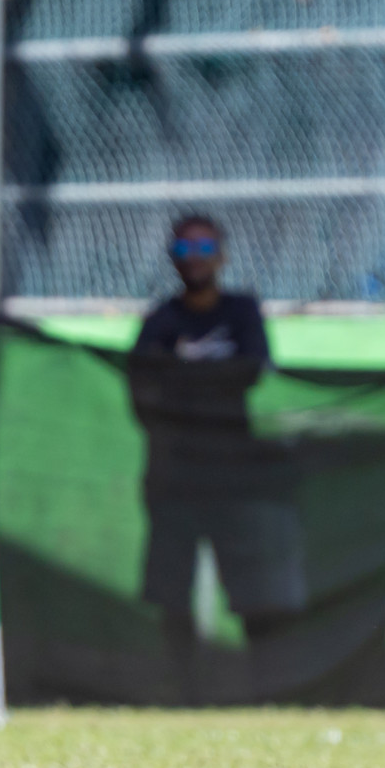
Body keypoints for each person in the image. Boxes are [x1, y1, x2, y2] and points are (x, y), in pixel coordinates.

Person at [129, 214, 307, 698]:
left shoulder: (242, 312)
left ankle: (266, 689)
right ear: (172, 258)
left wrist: (183, 380)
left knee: (253, 589)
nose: (196, 259)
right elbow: (142, 393)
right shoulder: (161, 322)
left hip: (235, 478)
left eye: (205, 248)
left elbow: (250, 371)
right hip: (175, 480)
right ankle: (184, 692)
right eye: (185, 250)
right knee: (172, 591)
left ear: (222, 255)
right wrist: (206, 381)